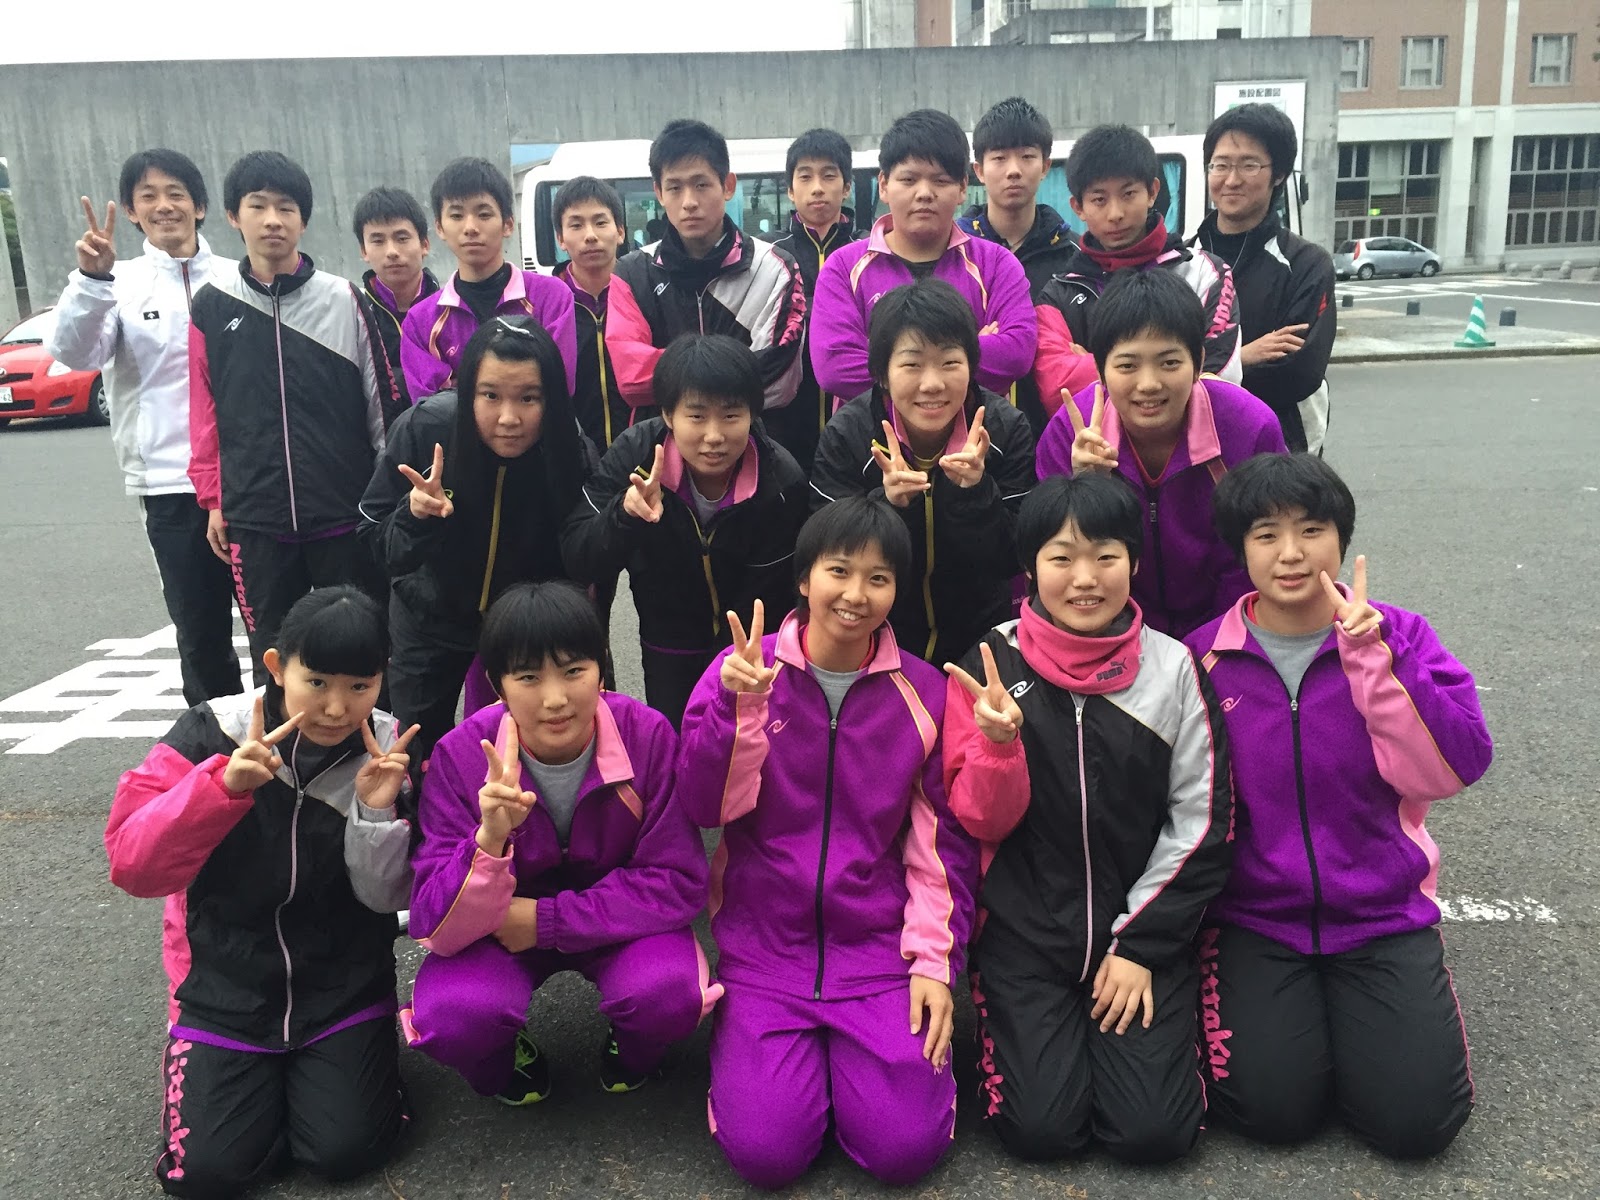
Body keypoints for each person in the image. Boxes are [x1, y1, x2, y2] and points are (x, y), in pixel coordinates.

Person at [1187, 453, 1490, 1159]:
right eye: (1266, 534)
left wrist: (1373, 657)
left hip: (1381, 914)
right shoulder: (1204, 657)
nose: (1291, 554)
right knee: (1271, 1114)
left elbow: (1455, 765)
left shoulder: (1400, 634)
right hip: (1254, 918)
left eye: (1311, 530)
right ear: (1241, 550)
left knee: (1418, 1125)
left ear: (1341, 539)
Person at [676, 498, 980, 1188]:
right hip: (765, 952)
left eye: (879, 578)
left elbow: (942, 848)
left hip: (878, 954)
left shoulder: (924, 693)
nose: (856, 593)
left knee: (904, 1150)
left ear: (897, 591)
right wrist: (737, 712)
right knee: (767, 1155)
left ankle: (866, 1080)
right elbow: (704, 806)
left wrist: (934, 965)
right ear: (804, 578)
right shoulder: (742, 669)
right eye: (838, 570)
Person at [944, 473, 1231, 1164]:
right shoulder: (990, 665)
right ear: (1030, 567)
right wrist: (998, 747)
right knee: (1042, 1131)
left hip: (1139, 935)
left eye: (1105, 556)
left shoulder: (1174, 668)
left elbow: (1202, 821)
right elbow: (979, 823)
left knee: (1153, 1134)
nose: (1084, 578)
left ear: (1133, 560)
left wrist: (1140, 945)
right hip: (1025, 938)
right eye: (1061, 557)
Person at [105, 587, 416, 1199]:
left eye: (360, 685)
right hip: (220, 988)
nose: (337, 707)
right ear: (277, 666)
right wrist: (219, 790)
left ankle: (317, 1082)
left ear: (382, 677)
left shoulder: (387, 750)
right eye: (316, 682)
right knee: (204, 1173)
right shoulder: (209, 732)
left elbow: (386, 899)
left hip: (343, 986)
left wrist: (376, 812)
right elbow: (133, 866)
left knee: (345, 1150)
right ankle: (260, 1088)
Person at [403, 581, 715, 1104]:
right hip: (500, 927)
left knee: (668, 993)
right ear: (497, 685)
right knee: (456, 1016)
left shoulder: (647, 736)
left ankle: (631, 1047)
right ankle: (506, 1064)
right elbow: (432, 919)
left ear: (601, 669)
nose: (555, 699)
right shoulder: (461, 757)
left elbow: (678, 880)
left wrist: (548, 921)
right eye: (528, 677)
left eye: (574, 671)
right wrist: (489, 841)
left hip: (610, 924)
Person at [188, 150, 398, 686]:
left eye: (286, 207)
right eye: (257, 206)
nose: (272, 220)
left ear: (304, 220)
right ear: (233, 216)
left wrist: (384, 499)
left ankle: (377, 744)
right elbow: (203, 410)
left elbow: (382, 407)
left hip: (345, 513)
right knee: (274, 660)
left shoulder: (344, 298)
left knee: (364, 651)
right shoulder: (212, 304)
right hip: (255, 516)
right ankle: (281, 745)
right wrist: (214, 499)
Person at [45, 148, 243, 707]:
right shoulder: (119, 283)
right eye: (148, 197)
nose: (164, 206)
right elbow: (74, 351)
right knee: (200, 634)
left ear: (200, 206)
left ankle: (283, 749)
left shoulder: (237, 277)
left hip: (250, 479)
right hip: (168, 484)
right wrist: (92, 279)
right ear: (131, 211)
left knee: (274, 625)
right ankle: (212, 752)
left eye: (176, 194)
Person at [358, 316, 592, 765]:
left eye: (529, 398)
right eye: (490, 396)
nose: (508, 418)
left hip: (522, 626)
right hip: (428, 617)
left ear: (552, 399)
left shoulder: (569, 447)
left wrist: (622, 519)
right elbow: (373, 538)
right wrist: (413, 517)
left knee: (531, 751)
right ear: (467, 391)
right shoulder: (426, 428)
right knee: (413, 752)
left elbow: (583, 556)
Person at [561, 334, 807, 728]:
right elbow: (578, 555)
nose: (714, 435)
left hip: (751, 648)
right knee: (674, 740)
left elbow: (780, 589)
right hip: (667, 644)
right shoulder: (635, 457)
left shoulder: (780, 478)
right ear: (668, 415)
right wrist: (624, 515)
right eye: (696, 416)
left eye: (731, 415)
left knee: (749, 742)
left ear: (752, 414)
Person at [1034, 268, 1285, 640]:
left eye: (1169, 363)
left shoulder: (1249, 426)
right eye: (1127, 365)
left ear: (1198, 362)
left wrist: (1215, 643)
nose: (1148, 384)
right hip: (1114, 632)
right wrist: (1080, 489)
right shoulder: (1069, 431)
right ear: (1100, 369)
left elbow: (1269, 550)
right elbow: (1055, 563)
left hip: (1230, 630)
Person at [811, 278, 1034, 667]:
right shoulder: (848, 435)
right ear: (883, 373)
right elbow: (824, 556)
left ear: (972, 366)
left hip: (981, 641)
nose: (932, 384)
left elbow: (1016, 557)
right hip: (878, 641)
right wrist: (888, 506)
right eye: (912, 364)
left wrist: (974, 493)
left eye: (950, 363)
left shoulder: (1005, 430)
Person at [810, 109, 1036, 401]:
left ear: (962, 188)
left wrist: (885, 355)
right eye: (908, 179)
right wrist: (966, 351)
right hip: (870, 431)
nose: (924, 193)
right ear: (884, 185)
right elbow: (835, 369)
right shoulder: (842, 267)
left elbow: (1017, 354)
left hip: (977, 430)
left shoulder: (996, 264)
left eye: (940, 181)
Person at [606, 118, 806, 423]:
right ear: (659, 192)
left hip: (754, 440)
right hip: (657, 443)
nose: (689, 202)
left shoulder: (775, 268)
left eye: (701, 185)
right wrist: (736, 368)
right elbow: (631, 380)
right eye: (675, 187)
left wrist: (671, 374)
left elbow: (780, 382)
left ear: (728, 186)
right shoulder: (633, 273)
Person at [1033, 124, 1242, 406]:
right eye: (1099, 199)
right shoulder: (1059, 293)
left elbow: (1219, 384)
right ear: (1078, 207)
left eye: (1128, 194)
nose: (1116, 213)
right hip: (1093, 437)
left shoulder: (1204, 273)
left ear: (1152, 191)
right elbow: (1057, 391)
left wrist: (1091, 364)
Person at [1191, 104, 1336, 454]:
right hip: (1197, 445)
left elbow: (1296, 373)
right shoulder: (1183, 259)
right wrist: (1241, 357)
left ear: (1279, 174)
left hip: (1281, 448)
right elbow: (1154, 362)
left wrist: (1195, 370)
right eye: (1220, 165)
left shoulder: (1306, 264)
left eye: (1249, 165)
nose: (1231, 179)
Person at [399, 156, 577, 400]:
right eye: (456, 216)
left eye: (483, 214)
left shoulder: (552, 297)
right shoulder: (420, 321)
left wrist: (464, 389)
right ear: (440, 227)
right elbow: (430, 410)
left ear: (508, 224)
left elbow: (557, 387)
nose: (470, 227)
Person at [959, 96, 1078, 437]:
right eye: (999, 158)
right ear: (979, 171)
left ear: (1045, 166)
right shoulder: (955, 255)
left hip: (1058, 434)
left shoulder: (1075, 257)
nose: (1014, 170)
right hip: (971, 436)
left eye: (1027, 156)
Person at [764, 127, 860, 473]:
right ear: (790, 190)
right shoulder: (767, 254)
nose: (817, 187)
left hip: (855, 417)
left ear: (846, 186)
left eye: (829, 175)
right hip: (782, 422)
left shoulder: (869, 252)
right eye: (805, 177)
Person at [552, 175, 632, 450]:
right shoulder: (550, 305)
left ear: (620, 232)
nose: (590, 235)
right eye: (576, 225)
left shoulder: (643, 293)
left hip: (641, 451)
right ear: (561, 238)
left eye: (600, 222)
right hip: (573, 453)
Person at [354, 185, 440, 412]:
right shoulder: (355, 315)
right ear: (364, 251)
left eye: (402, 238)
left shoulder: (449, 308)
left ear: (424, 244)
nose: (391, 251)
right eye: (378, 241)